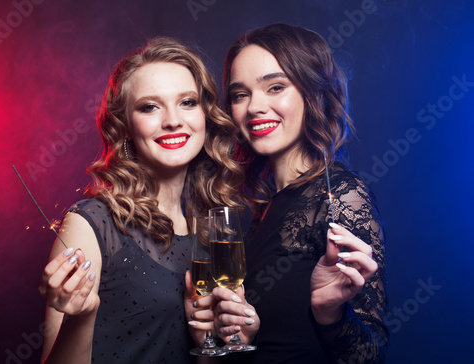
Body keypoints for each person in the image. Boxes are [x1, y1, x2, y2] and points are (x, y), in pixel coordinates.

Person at [38, 37, 244, 364]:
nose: (173, 120)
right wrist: (82, 315)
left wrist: (212, 341)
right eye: (150, 107)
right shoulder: (91, 224)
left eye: (187, 102)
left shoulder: (213, 226)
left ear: (206, 114)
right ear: (125, 126)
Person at [207, 23, 389, 363]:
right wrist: (241, 334)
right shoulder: (261, 208)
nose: (254, 107)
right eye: (240, 94)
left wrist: (330, 312)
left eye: (275, 87)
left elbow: (372, 354)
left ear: (312, 91)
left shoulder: (341, 195)